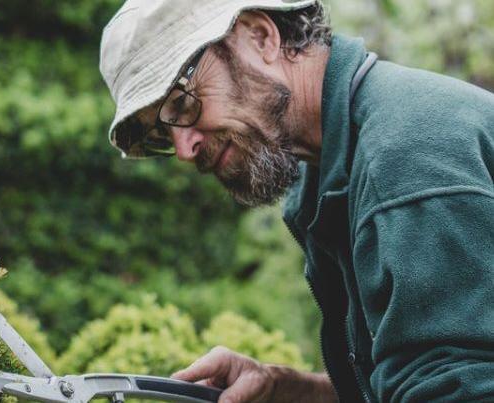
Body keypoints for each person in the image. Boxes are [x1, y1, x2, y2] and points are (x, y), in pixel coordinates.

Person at [99, 0, 494, 402]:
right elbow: (414, 380)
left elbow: (463, 389)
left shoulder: (407, 159)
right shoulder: (328, 174)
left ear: (261, 37)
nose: (184, 149)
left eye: (182, 104)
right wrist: (288, 391)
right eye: (161, 137)